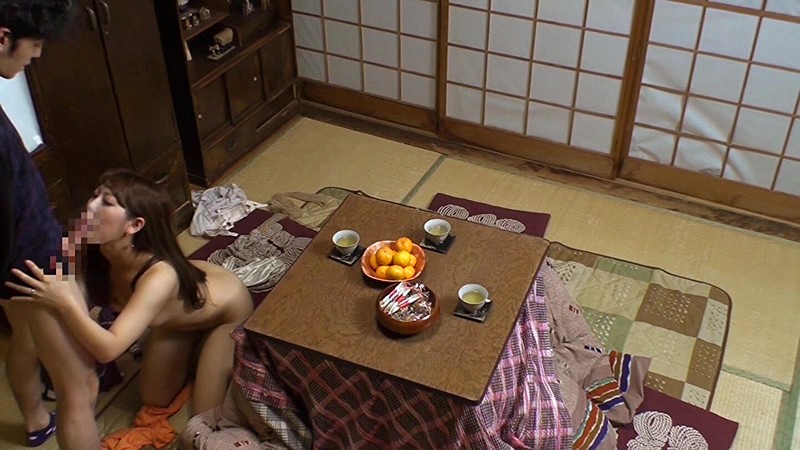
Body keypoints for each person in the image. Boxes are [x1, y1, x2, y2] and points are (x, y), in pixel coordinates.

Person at [6, 169, 254, 429]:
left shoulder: (159, 277)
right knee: (154, 398)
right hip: (174, 320)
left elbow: (109, 349)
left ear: (135, 225)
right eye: (94, 196)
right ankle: (192, 342)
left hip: (226, 313)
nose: (91, 206)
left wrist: (64, 301)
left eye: (106, 202)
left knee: (204, 420)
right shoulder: (90, 247)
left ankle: (210, 347)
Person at [0, 2, 93, 448]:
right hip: (31, 263)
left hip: (22, 259)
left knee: (26, 337)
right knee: (80, 387)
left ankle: (37, 421)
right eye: (34, 44)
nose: (36, 56)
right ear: (3, 38)